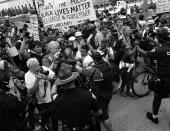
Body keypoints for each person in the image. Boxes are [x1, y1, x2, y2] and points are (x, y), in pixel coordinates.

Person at [44, 62, 113, 131]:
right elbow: (99, 113)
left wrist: (56, 82)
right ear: (74, 79)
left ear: (61, 83)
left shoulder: (58, 99)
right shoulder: (88, 94)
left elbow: (53, 93)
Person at [137, 28, 170, 124]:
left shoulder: (158, 49)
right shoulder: (163, 47)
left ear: (159, 38)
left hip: (163, 79)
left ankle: (154, 117)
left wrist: (137, 47)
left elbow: (146, 54)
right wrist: (151, 40)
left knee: (157, 98)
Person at [76, 51, 113, 131]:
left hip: (101, 94)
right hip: (109, 90)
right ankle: (104, 112)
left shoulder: (93, 70)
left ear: (93, 59)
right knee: (105, 106)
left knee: (103, 116)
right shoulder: (106, 63)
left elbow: (80, 70)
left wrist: (74, 64)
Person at [0, 60, 27, 131]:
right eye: (6, 68)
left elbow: (14, 86)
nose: (9, 69)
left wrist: (17, 92)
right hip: (8, 102)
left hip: (13, 99)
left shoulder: (9, 76)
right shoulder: (3, 78)